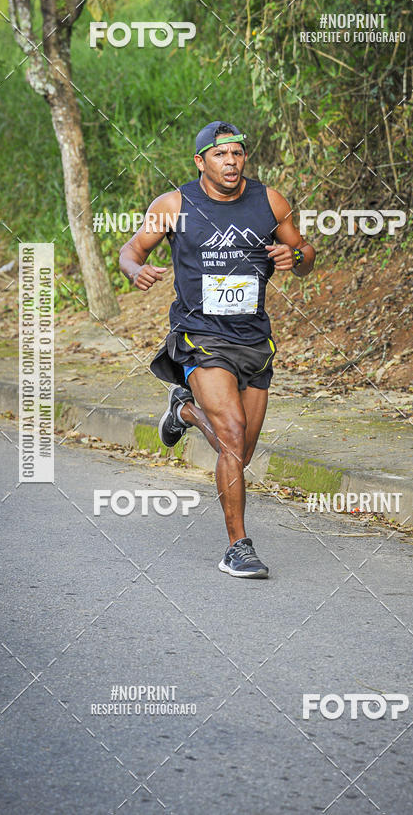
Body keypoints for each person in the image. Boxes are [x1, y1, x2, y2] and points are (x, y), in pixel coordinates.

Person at [119, 121, 315, 578]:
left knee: (239, 453)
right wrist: (134, 271)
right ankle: (237, 547)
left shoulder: (270, 202)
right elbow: (131, 250)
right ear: (200, 161)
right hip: (200, 336)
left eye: (237, 153)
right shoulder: (174, 205)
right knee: (232, 434)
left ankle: (184, 411)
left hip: (254, 339)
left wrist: (295, 258)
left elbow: (306, 254)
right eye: (220, 154)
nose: (231, 162)